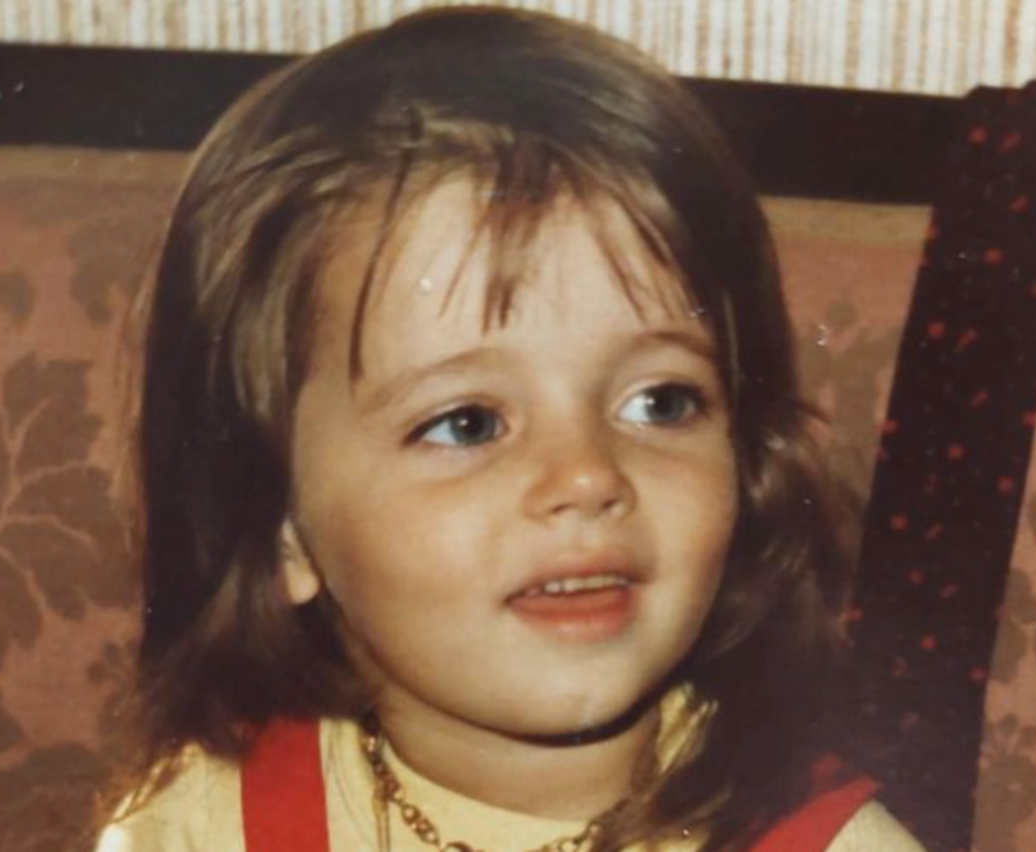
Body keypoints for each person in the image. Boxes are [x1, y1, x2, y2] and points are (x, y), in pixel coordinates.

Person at [96, 6, 925, 852]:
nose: (588, 476)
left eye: (661, 403)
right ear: (282, 528)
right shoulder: (203, 824)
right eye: (468, 423)